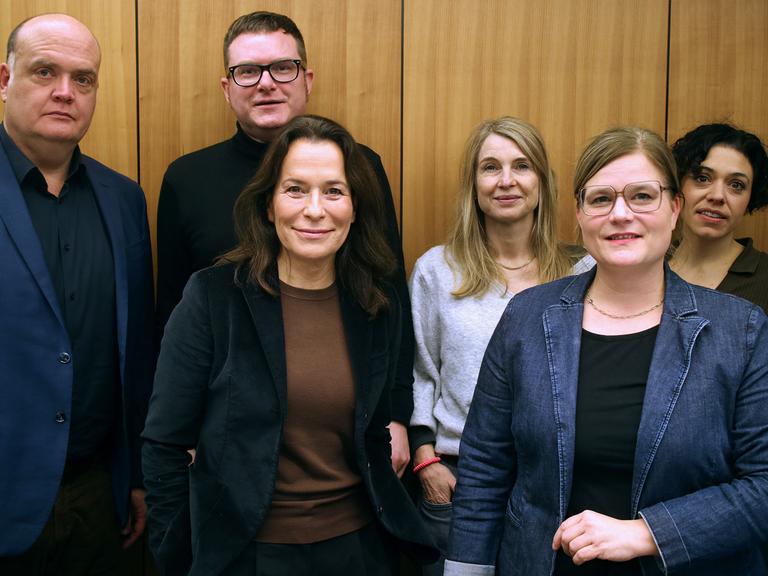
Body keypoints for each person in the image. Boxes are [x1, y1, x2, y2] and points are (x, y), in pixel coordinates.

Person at [445, 127, 768, 575]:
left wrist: (649, 532)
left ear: (674, 209)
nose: (620, 214)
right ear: (579, 214)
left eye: (642, 196)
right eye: (600, 199)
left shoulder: (741, 331)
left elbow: (763, 486)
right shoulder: (528, 316)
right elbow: (484, 468)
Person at [142, 115, 437, 575]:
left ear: (355, 208)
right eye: (295, 189)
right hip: (247, 554)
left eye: (334, 191)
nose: (315, 209)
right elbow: (164, 444)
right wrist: (175, 557)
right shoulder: (213, 298)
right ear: (267, 205)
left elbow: (373, 432)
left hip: (359, 550)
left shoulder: (376, 304)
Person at [155, 11, 413, 475]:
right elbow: (170, 311)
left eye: (283, 67)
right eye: (247, 71)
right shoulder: (186, 179)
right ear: (226, 86)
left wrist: (397, 412)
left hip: (343, 425)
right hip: (227, 431)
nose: (266, 83)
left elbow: (389, 289)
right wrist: (183, 429)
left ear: (307, 79)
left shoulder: (361, 167)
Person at [0, 13, 154, 574]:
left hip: (98, 500)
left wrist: (135, 475)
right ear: (4, 79)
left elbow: (135, 350)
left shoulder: (124, 200)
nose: (66, 92)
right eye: (45, 72)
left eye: (83, 79)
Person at [408, 116, 575, 575]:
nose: (506, 181)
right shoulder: (437, 270)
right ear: (473, 183)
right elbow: (419, 370)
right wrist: (426, 461)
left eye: (521, 166)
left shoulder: (581, 273)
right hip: (457, 480)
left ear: (541, 181)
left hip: (551, 482)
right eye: (490, 167)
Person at [669, 123, 768, 313]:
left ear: (750, 198)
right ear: (679, 184)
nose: (717, 196)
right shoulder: (649, 268)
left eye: (737, 185)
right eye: (703, 178)